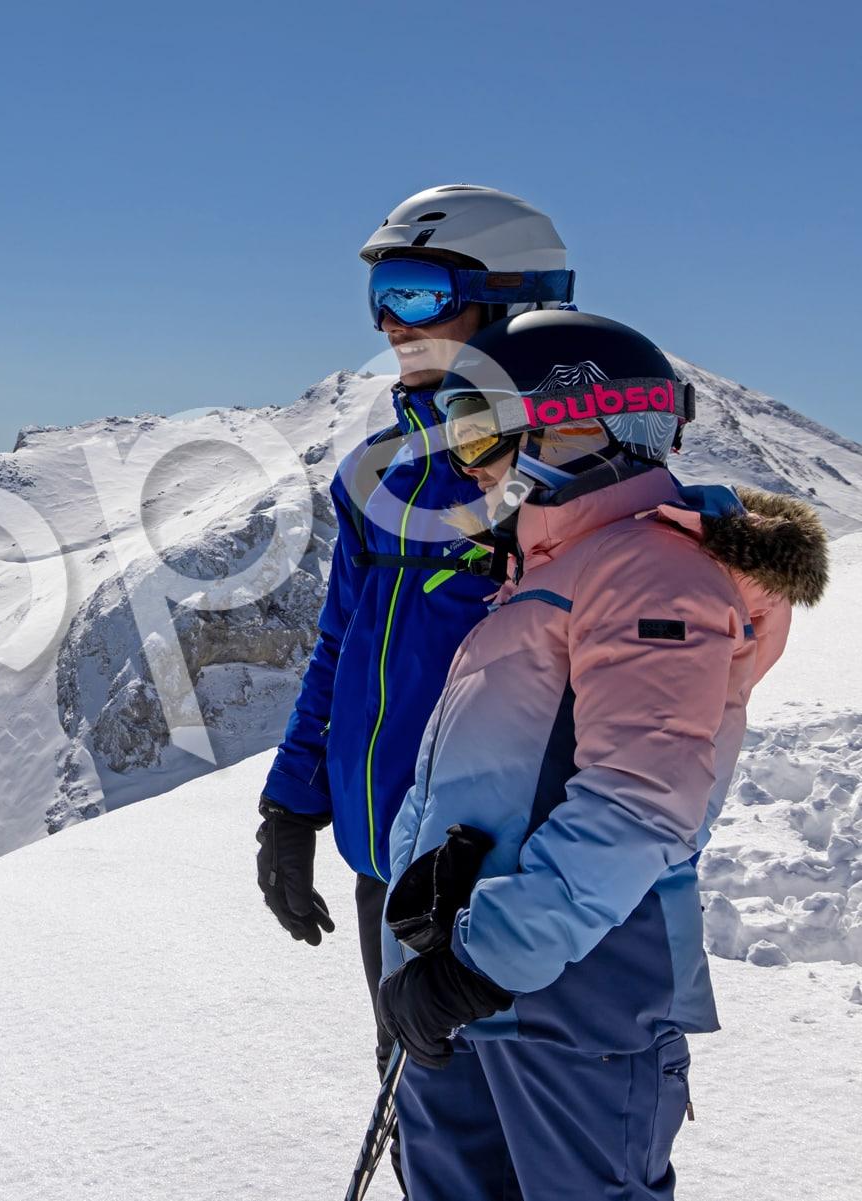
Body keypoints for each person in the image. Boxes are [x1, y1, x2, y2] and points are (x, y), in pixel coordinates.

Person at [374, 311, 828, 1199]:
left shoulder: (648, 572)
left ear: (584, 418)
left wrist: (479, 964)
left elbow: (640, 803)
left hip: (572, 992)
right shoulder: (548, 571)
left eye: (482, 427)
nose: (474, 462)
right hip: (474, 970)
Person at [255, 185, 576, 1192]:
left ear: (512, 299)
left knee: (547, 1155)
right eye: (379, 294)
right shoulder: (377, 473)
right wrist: (293, 805)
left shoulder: (567, 474)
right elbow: (340, 644)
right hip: (387, 871)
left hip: (506, 885)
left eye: (419, 290)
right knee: (435, 1141)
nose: (392, 319)